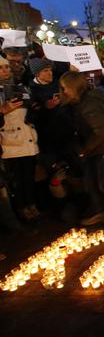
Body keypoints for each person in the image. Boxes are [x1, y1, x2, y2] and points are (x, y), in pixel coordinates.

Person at [59, 71, 104, 227]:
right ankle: (101, 211)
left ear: (74, 87)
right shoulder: (82, 102)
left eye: (65, 88)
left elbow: (101, 130)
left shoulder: (89, 104)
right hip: (97, 149)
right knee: (90, 181)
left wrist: (84, 149)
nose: (63, 91)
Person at [0, 56, 39, 221]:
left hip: (27, 137)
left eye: (7, 67)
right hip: (10, 141)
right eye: (1, 68)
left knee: (29, 177)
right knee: (17, 179)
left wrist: (34, 108)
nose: (5, 70)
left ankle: (32, 204)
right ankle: (21, 208)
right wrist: (3, 111)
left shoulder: (21, 87)